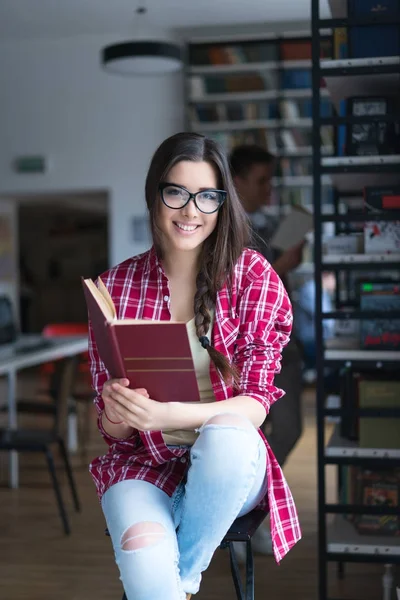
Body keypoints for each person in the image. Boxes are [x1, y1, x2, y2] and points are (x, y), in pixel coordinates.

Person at [88, 132, 301, 600]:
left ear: (223, 203)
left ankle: (184, 579)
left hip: (229, 467)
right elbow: (112, 433)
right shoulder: (115, 286)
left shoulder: (251, 275)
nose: (191, 211)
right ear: (154, 194)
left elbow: (257, 405)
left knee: (226, 433)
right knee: (145, 570)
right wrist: (116, 410)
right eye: (176, 193)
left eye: (207, 196)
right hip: (144, 462)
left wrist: (167, 415)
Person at [230, 144, 304, 557]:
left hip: (284, 346)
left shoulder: (266, 227)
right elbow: (238, 295)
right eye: (262, 181)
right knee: (247, 435)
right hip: (249, 352)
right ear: (237, 182)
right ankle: (244, 514)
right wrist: (281, 268)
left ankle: (251, 504)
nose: (269, 189)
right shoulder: (228, 233)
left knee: (288, 430)